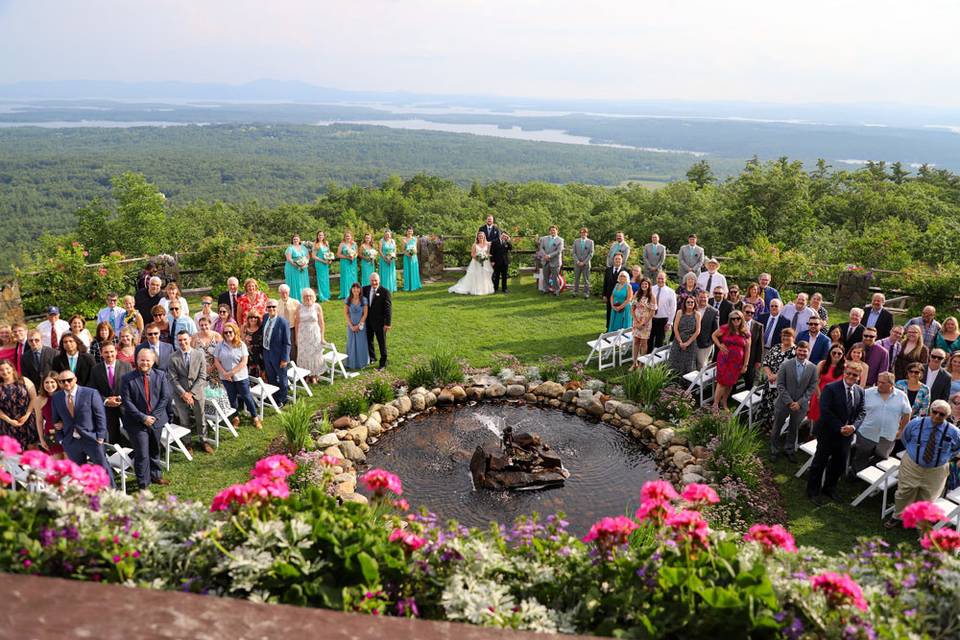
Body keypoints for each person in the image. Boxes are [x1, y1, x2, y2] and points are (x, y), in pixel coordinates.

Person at [887, 400, 960, 528]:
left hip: (937, 470)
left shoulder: (954, 432)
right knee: (904, 491)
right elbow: (906, 438)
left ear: (947, 416)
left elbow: (957, 449)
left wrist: (945, 457)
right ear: (930, 410)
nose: (937, 416)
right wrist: (914, 453)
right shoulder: (916, 423)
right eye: (934, 412)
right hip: (912, 464)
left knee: (929, 496)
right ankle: (897, 516)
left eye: (941, 414)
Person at [807, 363, 865, 504]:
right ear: (844, 372)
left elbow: (862, 412)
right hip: (828, 433)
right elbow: (825, 411)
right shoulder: (830, 388)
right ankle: (813, 491)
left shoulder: (860, 391)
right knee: (820, 463)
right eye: (849, 373)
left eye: (855, 375)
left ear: (859, 377)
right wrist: (840, 427)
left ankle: (829, 488)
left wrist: (853, 427)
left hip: (846, 436)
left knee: (838, 464)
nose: (851, 376)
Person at [51, 368, 113, 486]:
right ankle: (86, 498)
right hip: (71, 441)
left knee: (102, 469)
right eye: (62, 381)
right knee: (78, 474)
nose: (66, 383)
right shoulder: (56, 397)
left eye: (69, 380)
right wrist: (61, 439)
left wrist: (100, 436)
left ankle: (113, 493)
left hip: (92, 439)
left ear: (75, 379)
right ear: (59, 383)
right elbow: (56, 421)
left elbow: (100, 416)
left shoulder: (90, 393)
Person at [121, 349, 172, 490]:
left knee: (155, 449)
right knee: (142, 453)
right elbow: (127, 402)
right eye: (142, 360)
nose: (144, 363)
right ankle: (143, 484)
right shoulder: (127, 379)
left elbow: (164, 397)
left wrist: (154, 417)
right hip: (136, 422)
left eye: (148, 360)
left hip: (156, 421)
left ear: (153, 361)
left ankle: (156, 475)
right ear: (137, 361)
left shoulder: (161, 375)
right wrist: (143, 418)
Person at [852, 372, 911, 472]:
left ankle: (871, 477)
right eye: (878, 382)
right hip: (867, 432)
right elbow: (857, 410)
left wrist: (901, 430)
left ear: (891, 384)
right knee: (861, 455)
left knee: (881, 458)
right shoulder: (867, 393)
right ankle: (854, 475)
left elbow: (907, 413)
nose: (879, 384)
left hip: (888, 435)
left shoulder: (901, 396)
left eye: (883, 383)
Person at [770, 341, 818, 461]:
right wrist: (790, 402)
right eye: (800, 350)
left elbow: (812, 387)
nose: (802, 353)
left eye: (804, 351)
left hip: (800, 406)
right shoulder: (786, 365)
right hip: (784, 403)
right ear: (796, 350)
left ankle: (789, 449)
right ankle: (774, 450)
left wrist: (799, 403)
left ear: (808, 352)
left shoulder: (813, 368)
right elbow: (780, 385)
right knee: (777, 427)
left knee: (794, 428)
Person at [168, 331, 211, 454]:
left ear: (190, 339)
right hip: (180, 393)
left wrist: (191, 393)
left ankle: (204, 441)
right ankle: (188, 443)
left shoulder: (199, 354)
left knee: (201, 418)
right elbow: (172, 378)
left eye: (185, 339)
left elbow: (203, 376)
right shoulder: (173, 357)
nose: (183, 342)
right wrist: (184, 394)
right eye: (180, 340)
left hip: (197, 392)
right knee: (184, 420)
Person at [214, 322, 262, 429]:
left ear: (235, 332)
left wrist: (230, 373)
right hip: (226, 378)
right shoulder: (220, 345)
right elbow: (216, 361)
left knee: (247, 396)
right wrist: (224, 374)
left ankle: (255, 417)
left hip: (240, 377)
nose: (228, 334)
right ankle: (235, 417)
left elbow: (243, 362)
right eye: (225, 332)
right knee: (232, 397)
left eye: (230, 332)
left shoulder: (241, 345)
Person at [87, 342, 132, 446]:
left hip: (125, 406)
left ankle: (132, 454)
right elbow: (93, 390)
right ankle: (116, 456)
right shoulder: (95, 369)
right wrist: (106, 400)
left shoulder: (126, 366)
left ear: (116, 352)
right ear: (101, 354)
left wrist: (120, 398)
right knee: (113, 435)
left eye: (111, 351)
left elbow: (131, 386)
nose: (109, 355)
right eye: (106, 352)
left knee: (131, 432)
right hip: (107, 409)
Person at [759, 328, 797, 428]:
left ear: (793, 338)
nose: (785, 338)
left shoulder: (795, 352)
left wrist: (775, 376)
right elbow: (766, 362)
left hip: (784, 385)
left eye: (788, 336)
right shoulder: (776, 347)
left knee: (777, 406)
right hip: (770, 382)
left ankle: (775, 428)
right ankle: (764, 424)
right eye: (783, 335)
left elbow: (792, 368)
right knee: (767, 402)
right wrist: (769, 375)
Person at [712, 310, 750, 409]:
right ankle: (715, 404)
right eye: (733, 318)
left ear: (741, 319)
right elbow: (714, 335)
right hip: (724, 359)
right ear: (730, 320)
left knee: (730, 383)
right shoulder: (725, 328)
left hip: (737, 362)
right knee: (722, 382)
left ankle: (724, 402)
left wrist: (745, 364)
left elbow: (747, 349)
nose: (736, 320)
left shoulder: (745, 332)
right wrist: (719, 345)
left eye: (738, 318)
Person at [0, 360, 38, 451]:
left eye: (7, 368)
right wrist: (9, 421)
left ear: (12, 368)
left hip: (28, 420)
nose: (5, 372)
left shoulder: (24, 380)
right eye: (1, 370)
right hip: (8, 423)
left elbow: (34, 399)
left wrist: (27, 415)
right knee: (13, 453)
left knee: (32, 449)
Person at [260, 299, 291, 407]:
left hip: (278, 355)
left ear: (277, 308)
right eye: (269, 307)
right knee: (271, 376)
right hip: (267, 352)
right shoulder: (264, 318)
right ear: (266, 308)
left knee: (282, 378)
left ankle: (283, 398)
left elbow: (287, 342)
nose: (271, 309)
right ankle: (275, 396)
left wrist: (284, 358)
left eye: (273, 307)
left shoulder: (283, 322)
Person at [807, 345, 847, 425]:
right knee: (815, 420)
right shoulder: (822, 364)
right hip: (819, 394)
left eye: (839, 354)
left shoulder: (844, 368)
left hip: (833, 398)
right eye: (834, 353)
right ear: (830, 353)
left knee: (827, 421)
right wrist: (819, 395)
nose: (836, 355)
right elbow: (814, 380)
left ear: (843, 355)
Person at [449, 231, 495, 296]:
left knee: (484, 276)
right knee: (476, 275)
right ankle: (476, 289)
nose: (481, 237)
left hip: (485, 262)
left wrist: (485, 257)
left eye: (482, 236)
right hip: (476, 262)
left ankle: (485, 289)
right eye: (479, 236)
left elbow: (487, 253)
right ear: (477, 237)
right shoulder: (474, 245)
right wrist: (478, 259)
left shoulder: (487, 244)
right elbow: (472, 254)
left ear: (484, 237)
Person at [363, 272, 392, 371]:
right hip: (368, 321)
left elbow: (388, 309)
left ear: (379, 281)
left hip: (380, 322)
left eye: (375, 280)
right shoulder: (365, 289)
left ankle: (383, 363)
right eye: (372, 280)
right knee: (369, 340)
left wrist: (387, 323)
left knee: (381, 342)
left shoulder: (385, 292)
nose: (374, 282)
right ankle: (372, 357)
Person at [296, 288, 326, 383]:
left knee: (314, 354)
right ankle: (306, 375)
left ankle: (314, 375)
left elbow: (321, 322)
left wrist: (322, 336)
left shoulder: (317, 306)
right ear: (303, 298)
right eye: (306, 296)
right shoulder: (299, 307)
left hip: (314, 334)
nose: (308, 298)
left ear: (313, 297)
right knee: (304, 355)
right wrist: (296, 337)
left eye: (310, 296)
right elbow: (297, 322)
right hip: (303, 335)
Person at [30, 373, 63, 457]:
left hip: (67, 433)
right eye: (46, 382)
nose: (49, 385)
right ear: (43, 384)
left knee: (70, 464)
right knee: (57, 465)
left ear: (58, 382)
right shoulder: (39, 400)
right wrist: (41, 439)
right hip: (51, 434)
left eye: (52, 382)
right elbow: (39, 420)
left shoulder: (65, 396)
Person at [668, 296, 701, 376]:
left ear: (695, 303)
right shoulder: (680, 312)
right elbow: (675, 328)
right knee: (674, 361)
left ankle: (686, 385)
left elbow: (697, 331)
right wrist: (680, 342)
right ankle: (673, 382)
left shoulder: (697, 314)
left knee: (688, 364)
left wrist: (687, 343)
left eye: (692, 302)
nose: (690, 304)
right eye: (688, 302)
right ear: (685, 303)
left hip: (691, 342)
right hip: (678, 341)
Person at [630, 277, 657, 369]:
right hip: (636, 321)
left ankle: (641, 363)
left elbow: (652, 312)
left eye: (646, 284)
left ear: (649, 286)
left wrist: (643, 323)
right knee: (636, 341)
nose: (644, 286)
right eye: (643, 284)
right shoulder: (637, 294)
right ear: (640, 285)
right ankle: (634, 363)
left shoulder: (652, 297)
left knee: (644, 343)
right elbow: (632, 308)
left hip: (646, 323)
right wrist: (636, 320)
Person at [345, 282, 369, 370]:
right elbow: (346, 313)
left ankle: (362, 363)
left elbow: (365, 314)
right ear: (351, 289)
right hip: (350, 325)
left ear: (360, 289)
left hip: (361, 325)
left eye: (357, 288)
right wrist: (351, 326)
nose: (356, 290)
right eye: (354, 288)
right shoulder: (348, 300)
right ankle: (351, 363)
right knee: (351, 344)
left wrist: (359, 325)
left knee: (361, 344)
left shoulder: (364, 300)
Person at [650, 271, 677, 350]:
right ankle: (647, 358)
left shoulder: (671, 292)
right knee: (649, 340)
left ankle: (656, 360)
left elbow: (673, 308)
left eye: (662, 278)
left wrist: (669, 323)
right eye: (659, 278)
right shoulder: (651, 289)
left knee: (659, 341)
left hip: (663, 320)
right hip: (651, 318)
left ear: (665, 279)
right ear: (656, 278)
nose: (660, 280)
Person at [693, 290, 718, 370]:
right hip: (691, 342)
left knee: (701, 364)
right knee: (691, 363)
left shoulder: (714, 312)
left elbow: (716, 330)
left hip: (705, 344)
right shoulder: (692, 308)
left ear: (708, 298)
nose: (703, 299)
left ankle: (700, 382)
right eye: (701, 297)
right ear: (697, 298)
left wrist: (710, 342)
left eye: (705, 297)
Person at [741, 303, 765, 388]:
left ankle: (747, 398)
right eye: (748, 312)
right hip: (737, 356)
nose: (750, 314)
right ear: (743, 312)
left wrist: (758, 360)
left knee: (749, 380)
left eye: (752, 313)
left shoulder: (759, 326)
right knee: (734, 379)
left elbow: (760, 345)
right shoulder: (737, 323)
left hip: (751, 358)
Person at [284, 233, 311, 301]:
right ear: (292, 240)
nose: (295, 240)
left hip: (303, 267)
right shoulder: (290, 248)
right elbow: (289, 259)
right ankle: (295, 298)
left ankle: (305, 297)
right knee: (296, 283)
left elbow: (308, 257)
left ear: (299, 240)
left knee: (302, 282)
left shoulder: (303, 247)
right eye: (294, 239)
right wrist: (297, 265)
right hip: (293, 268)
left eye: (297, 239)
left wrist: (304, 264)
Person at [538, 226, 564, 296]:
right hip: (545, 260)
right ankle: (545, 290)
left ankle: (556, 291)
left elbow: (559, 251)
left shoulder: (560, 240)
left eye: (554, 230)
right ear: (549, 231)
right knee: (545, 276)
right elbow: (541, 248)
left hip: (555, 261)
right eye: (551, 230)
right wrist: (545, 256)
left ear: (557, 231)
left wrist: (549, 256)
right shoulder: (544, 239)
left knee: (555, 277)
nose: (553, 231)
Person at [276, 284, 300, 360]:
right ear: (279, 293)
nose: (284, 294)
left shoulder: (295, 302)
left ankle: (295, 363)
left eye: (286, 292)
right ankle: (287, 362)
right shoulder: (276, 304)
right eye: (282, 292)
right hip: (282, 329)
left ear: (289, 292)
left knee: (293, 347)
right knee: (284, 347)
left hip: (292, 328)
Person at [603, 254, 627, 329]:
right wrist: (604, 295)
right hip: (610, 295)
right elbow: (605, 283)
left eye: (619, 259)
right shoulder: (608, 270)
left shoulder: (625, 271)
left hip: (620, 296)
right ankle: (608, 328)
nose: (617, 260)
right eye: (616, 259)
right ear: (613, 260)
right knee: (609, 312)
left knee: (619, 313)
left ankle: (618, 329)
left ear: (622, 260)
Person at [571, 227, 594, 298]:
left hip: (586, 264)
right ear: (580, 233)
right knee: (576, 278)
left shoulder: (591, 242)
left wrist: (584, 262)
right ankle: (575, 292)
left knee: (586, 279)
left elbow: (591, 253)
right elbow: (573, 253)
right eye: (581, 232)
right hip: (577, 264)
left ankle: (586, 293)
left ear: (587, 233)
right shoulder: (576, 241)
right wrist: (577, 261)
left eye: (584, 232)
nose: (583, 234)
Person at [312, 230, 333, 302]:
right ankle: (322, 296)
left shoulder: (326, 243)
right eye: (319, 235)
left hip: (326, 264)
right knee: (321, 280)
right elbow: (314, 256)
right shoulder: (316, 244)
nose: (321, 236)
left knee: (326, 279)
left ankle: (327, 295)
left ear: (324, 236)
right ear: (317, 236)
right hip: (319, 264)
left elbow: (329, 253)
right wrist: (323, 261)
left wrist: (330, 259)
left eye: (322, 235)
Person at [241, 313, 264, 379]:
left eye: (255, 317)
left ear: (258, 319)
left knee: (259, 373)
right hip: (247, 355)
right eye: (251, 317)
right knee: (249, 372)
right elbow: (241, 341)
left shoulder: (261, 328)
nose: (253, 319)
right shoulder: (244, 328)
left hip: (259, 355)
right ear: (248, 319)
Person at [338, 231, 359, 300]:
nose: (348, 237)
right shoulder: (342, 244)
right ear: (344, 237)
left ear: (351, 237)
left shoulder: (354, 244)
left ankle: (354, 292)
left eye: (349, 236)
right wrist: (347, 257)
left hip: (353, 263)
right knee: (346, 277)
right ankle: (346, 293)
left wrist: (353, 256)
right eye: (346, 236)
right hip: (345, 263)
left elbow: (356, 253)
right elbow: (338, 254)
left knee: (353, 277)